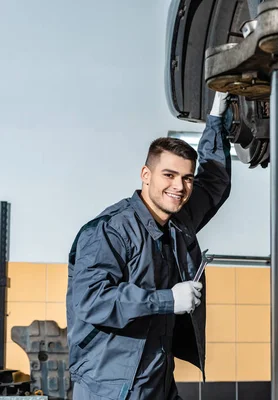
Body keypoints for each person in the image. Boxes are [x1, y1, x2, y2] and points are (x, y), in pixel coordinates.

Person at [66, 92, 232, 400]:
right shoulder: (109, 231)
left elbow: (214, 182)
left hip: (157, 382)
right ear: (146, 175)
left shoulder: (178, 223)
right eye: (168, 175)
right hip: (110, 389)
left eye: (187, 178)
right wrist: (167, 300)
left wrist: (217, 117)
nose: (179, 187)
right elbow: (91, 300)